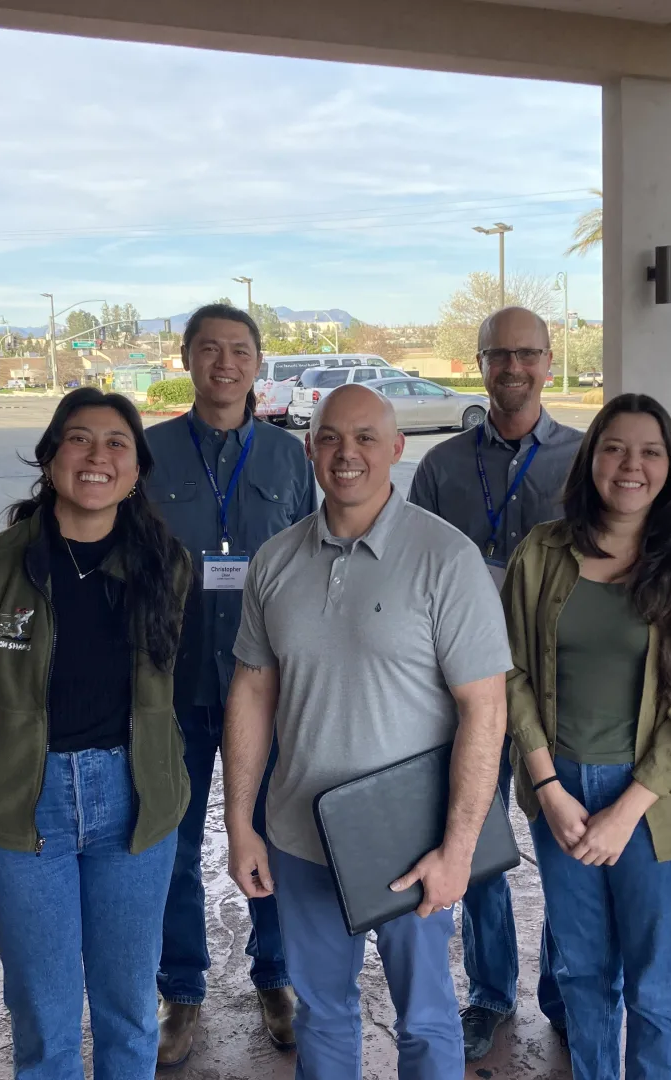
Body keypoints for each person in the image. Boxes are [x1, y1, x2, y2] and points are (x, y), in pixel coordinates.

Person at [222, 383, 511, 1079]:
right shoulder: (275, 561)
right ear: (309, 449)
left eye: (364, 439)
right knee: (322, 1013)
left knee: (427, 1017)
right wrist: (240, 823)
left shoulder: (447, 559)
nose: (345, 454)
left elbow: (486, 709)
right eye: (328, 438)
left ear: (396, 450)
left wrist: (458, 850)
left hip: (411, 841)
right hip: (301, 835)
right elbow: (253, 691)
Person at [0, 388, 191, 1080]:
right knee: (44, 1020)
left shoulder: (166, 567)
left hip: (134, 807)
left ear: (136, 470)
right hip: (24, 810)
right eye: (78, 439)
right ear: (50, 458)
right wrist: (8, 758)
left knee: (130, 1007)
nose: (97, 455)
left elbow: (180, 682)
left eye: (117, 443)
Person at [502, 392, 671, 1079]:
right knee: (582, 974)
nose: (630, 465)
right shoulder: (541, 554)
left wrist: (629, 805)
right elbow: (509, 671)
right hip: (563, 794)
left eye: (649, 451)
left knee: (655, 984)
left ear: (669, 467)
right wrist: (547, 786)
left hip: (658, 806)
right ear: (591, 459)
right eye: (614, 447)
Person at [143, 303, 316, 1068]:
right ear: (186, 359)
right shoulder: (147, 456)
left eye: (239, 350)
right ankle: (181, 990)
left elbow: (317, 567)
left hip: (267, 687)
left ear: (257, 362)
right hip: (172, 690)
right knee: (171, 848)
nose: (224, 362)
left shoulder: (289, 458)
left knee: (275, 837)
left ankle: (276, 977)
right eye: (208, 349)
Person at [407, 305, 582, 1059]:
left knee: (564, 842)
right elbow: (409, 570)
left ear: (549, 361)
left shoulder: (584, 460)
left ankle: (566, 990)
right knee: (473, 846)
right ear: (479, 364)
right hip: (459, 691)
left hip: (558, 689)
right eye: (497, 355)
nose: (512, 368)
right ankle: (488, 994)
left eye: (526, 354)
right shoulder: (442, 468)